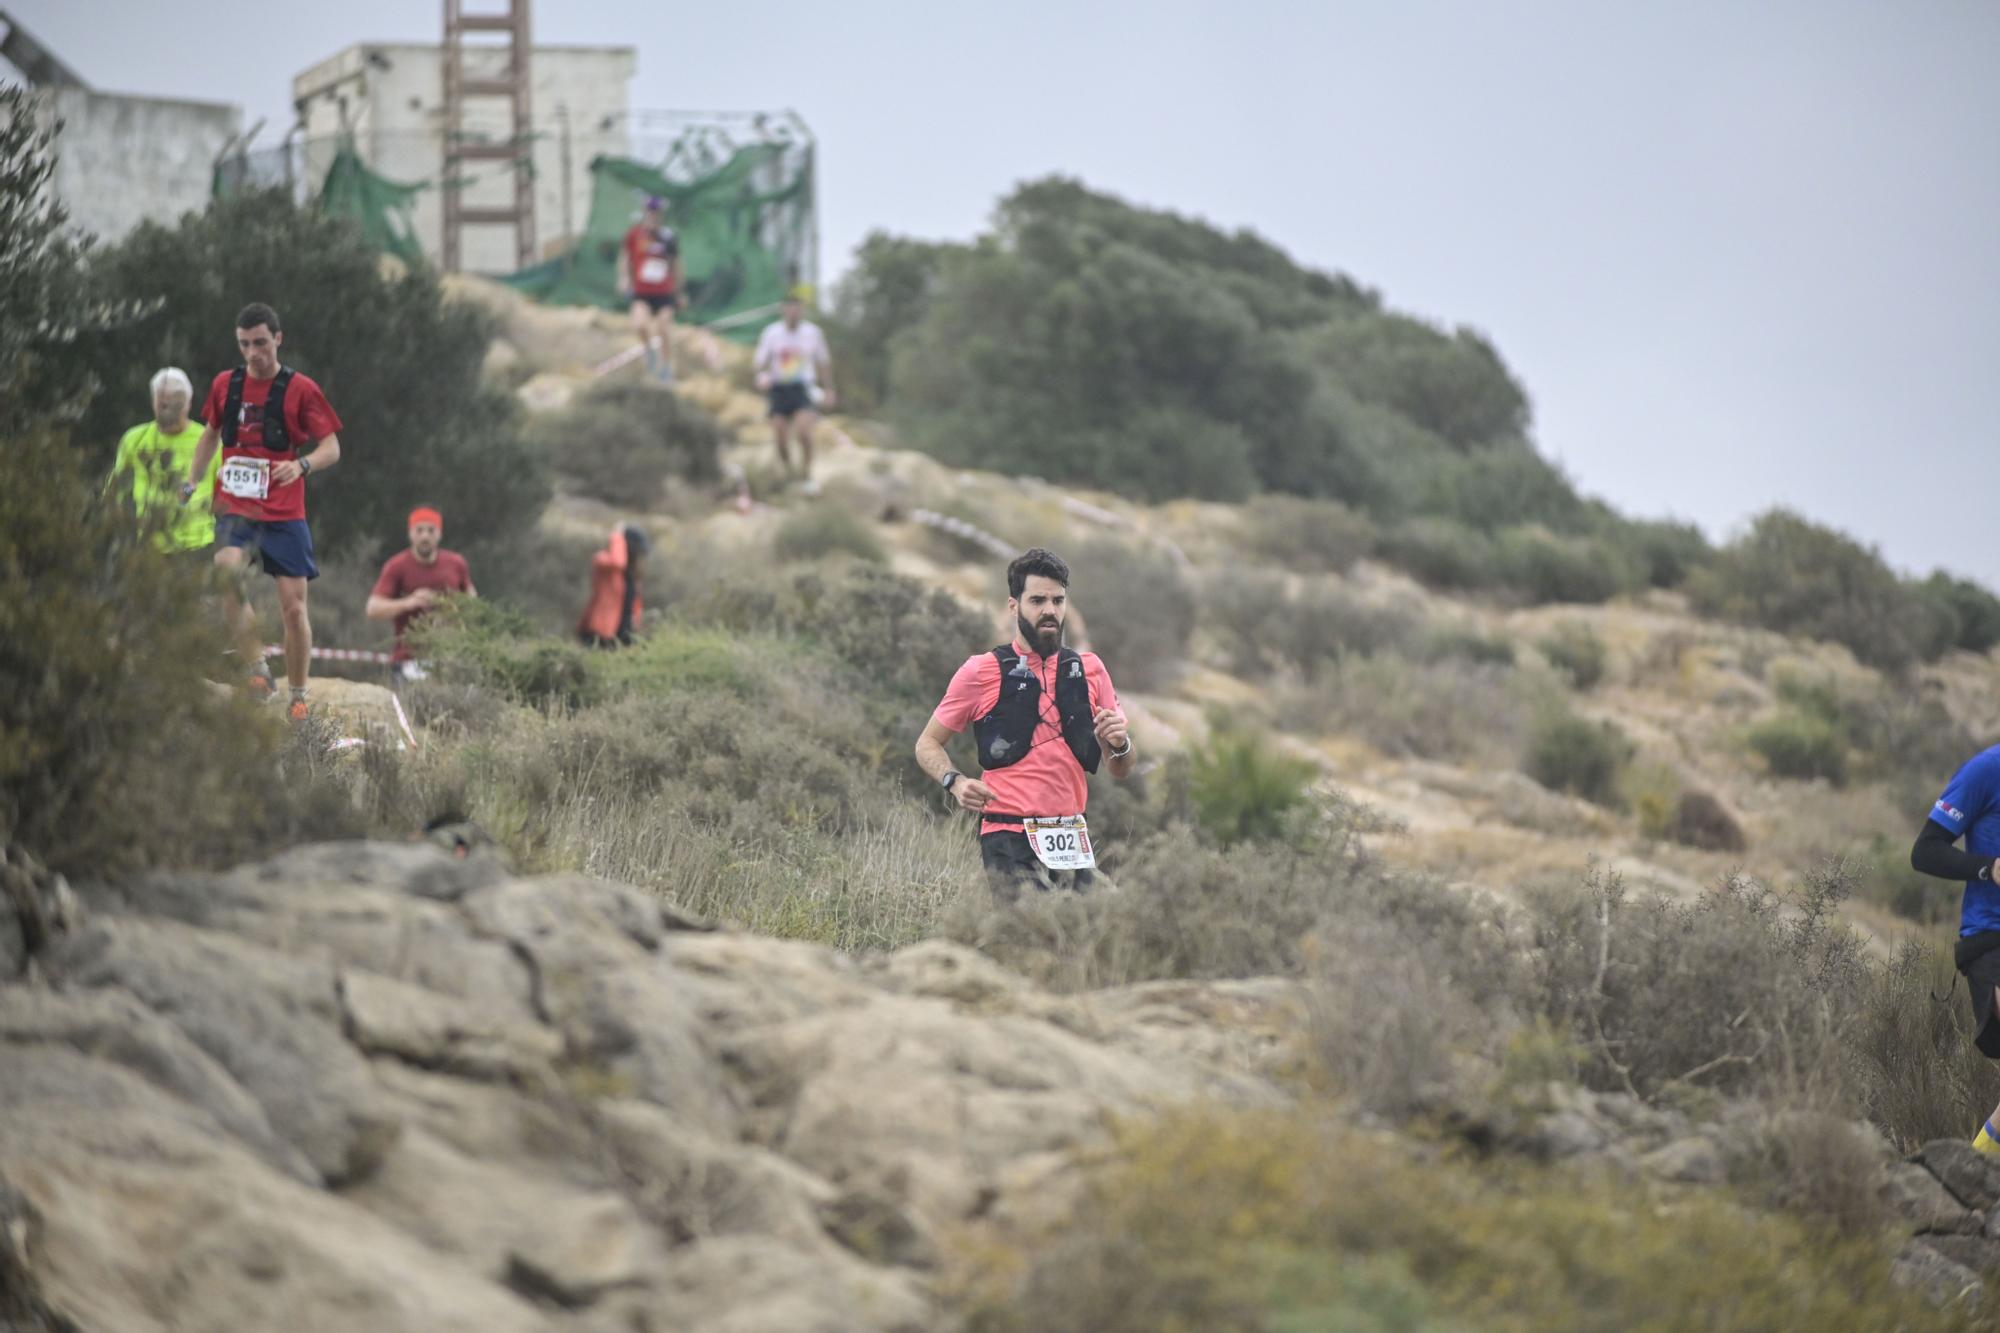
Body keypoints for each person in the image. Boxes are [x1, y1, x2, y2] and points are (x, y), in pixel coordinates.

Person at [914, 547, 1136, 901]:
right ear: (1014, 605)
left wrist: (1121, 744)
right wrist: (955, 782)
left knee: (1095, 934)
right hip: (1009, 833)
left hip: (1071, 836)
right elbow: (927, 743)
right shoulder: (980, 670)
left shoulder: (1090, 669)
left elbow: (1120, 768)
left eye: (1058, 600)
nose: (1049, 610)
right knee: (1035, 933)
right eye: (1037, 600)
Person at [182, 302, 344, 721]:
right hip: (236, 504)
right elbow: (210, 435)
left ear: (278, 339)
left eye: (259, 343)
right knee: (226, 571)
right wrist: (192, 480)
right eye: (243, 344)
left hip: (285, 510)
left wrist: (302, 464)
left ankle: (299, 695)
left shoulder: (301, 388)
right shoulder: (224, 385)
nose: (252, 353)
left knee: (293, 607)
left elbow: (332, 447)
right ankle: (257, 669)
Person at [1912, 744, 2000, 1154]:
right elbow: (1925, 851)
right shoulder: (1986, 770)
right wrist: (1990, 867)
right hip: (1992, 938)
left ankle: (1971, 1179)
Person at [109, 367, 218, 556]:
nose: (168, 412)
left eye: (175, 405)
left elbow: (229, 492)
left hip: (197, 546)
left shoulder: (209, 442)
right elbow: (115, 489)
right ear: (154, 402)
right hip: (148, 545)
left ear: (188, 403)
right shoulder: (134, 439)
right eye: (163, 405)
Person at [366, 506, 476, 682]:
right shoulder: (397, 566)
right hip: (407, 660)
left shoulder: (457, 564)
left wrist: (452, 609)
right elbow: (372, 608)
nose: (425, 536)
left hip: (448, 658)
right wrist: (408, 602)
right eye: (419, 530)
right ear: (411, 534)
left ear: (439, 534)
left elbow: (473, 603)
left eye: (431, 530)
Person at [752, 294, 836, 493]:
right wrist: (761, 376)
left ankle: (807, 472)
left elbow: (823, 362)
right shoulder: (771, 333)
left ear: (802, 311)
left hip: (803, 388)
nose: (793, 313)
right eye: (790, 308)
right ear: (783, 309)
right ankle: (789, 471)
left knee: (804, 432)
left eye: (797, 308)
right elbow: (759, 362)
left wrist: (830, 389)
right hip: (779, 388)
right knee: (780, 437)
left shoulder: (813, 333)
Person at [618, 196, 682, 383]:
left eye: (656, 213)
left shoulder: (668, 237)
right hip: (642, 292)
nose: (653, 216)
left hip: (664, 293)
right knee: (640, 325)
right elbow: (625, 257)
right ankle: (649, 353)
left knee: (664, 328)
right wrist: (623, 278)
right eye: (650, 212)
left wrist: (679, 291)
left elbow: (676, 264)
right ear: (645, 213)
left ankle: (666, 367)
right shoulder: (634, 235)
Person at [577, 523, 648, 648]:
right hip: (601, 635)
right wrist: (618, 536)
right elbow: (617, 562)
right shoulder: (603, 560)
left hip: (623, 639)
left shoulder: (632, 575)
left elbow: (634, 607)